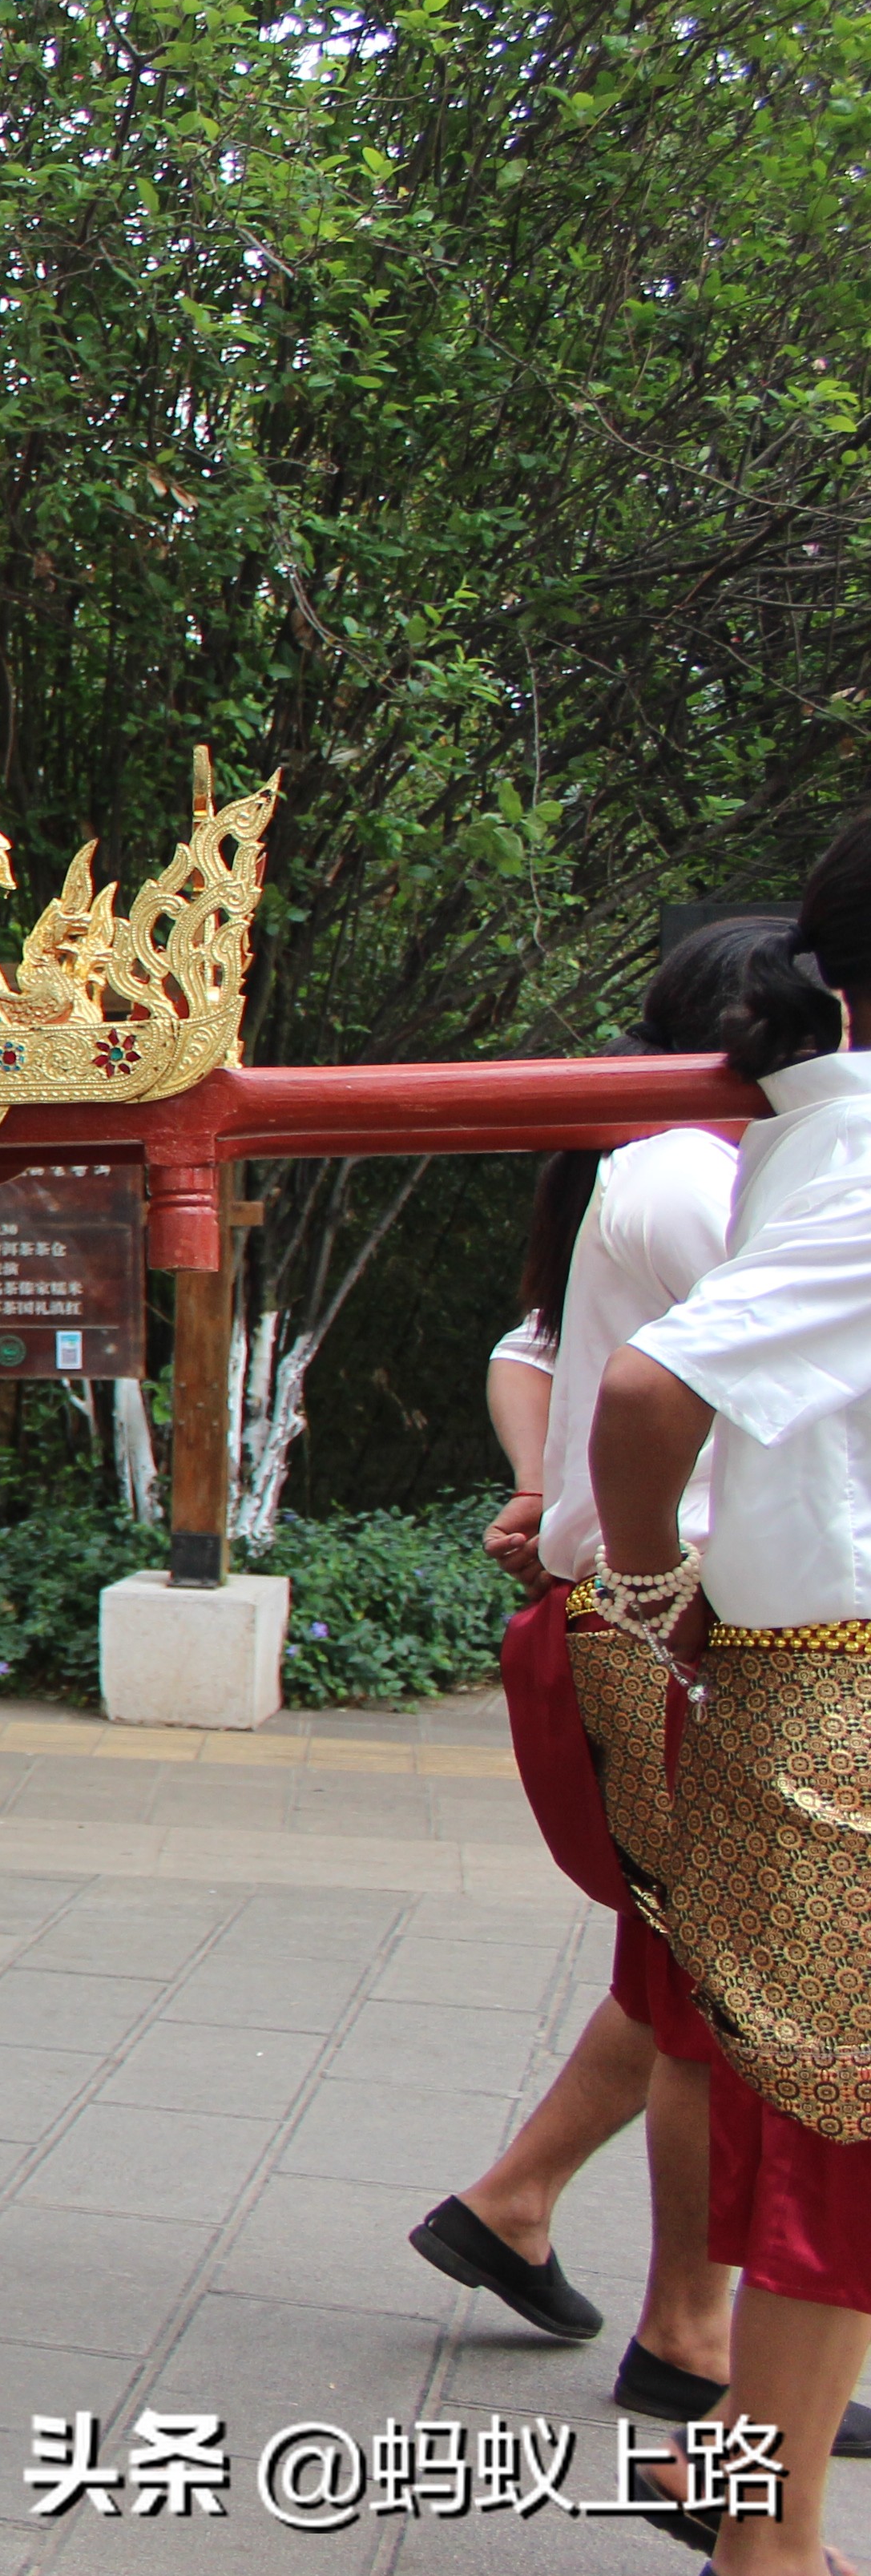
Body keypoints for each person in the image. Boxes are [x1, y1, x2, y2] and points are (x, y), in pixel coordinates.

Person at [417, 920, 871, 2460]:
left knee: (694, 1987)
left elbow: (540, 1354)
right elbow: (669, 1389)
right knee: (709, 2007)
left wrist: (560, 1504)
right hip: (707, 1635)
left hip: (684, 1614)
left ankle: (530, 2216)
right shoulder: (709, 1169)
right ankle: (693, 2350)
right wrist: (628, 1552)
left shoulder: (712, 1159)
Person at [597, 820, 871, 2576]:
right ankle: (770, 2546)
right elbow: (643, 1387)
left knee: (814, 2124)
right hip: (835, 1693)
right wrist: (644, 1593)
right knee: (837, 2141)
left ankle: (755, 2496)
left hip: (803, 1686)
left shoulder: (812, 1143)